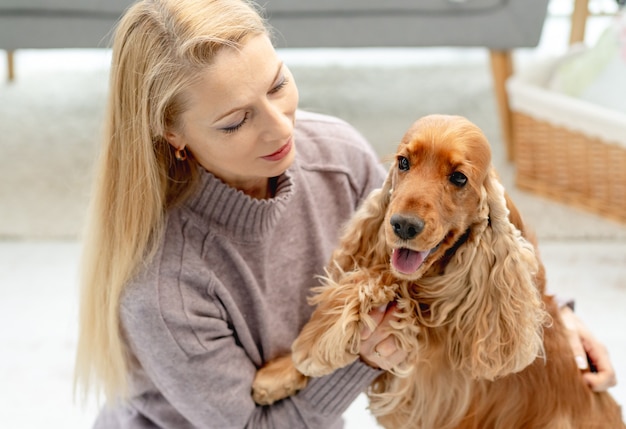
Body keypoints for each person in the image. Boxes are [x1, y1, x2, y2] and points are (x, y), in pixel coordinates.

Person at [73, 0, 616, 427]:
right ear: (173, 136)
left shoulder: (331, 153)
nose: (283, 128)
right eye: (237, 121)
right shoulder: (163, 285)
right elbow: (254, 426)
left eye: (278, 85)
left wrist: (552, 316)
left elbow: (468, 228)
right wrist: (365, 359)